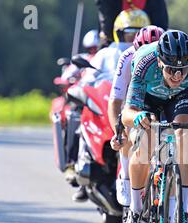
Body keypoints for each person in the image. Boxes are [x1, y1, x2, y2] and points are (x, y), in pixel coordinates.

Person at [121, 30, 188, 223]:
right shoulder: (144, 63)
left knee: (185, 136)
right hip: (147, 97)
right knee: (145, 144)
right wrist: (138, 118)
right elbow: (128, 114)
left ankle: (181, 212)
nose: (177, 76)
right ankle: (136, 211)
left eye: (183, 70)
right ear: (159, 61)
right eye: (172, 69)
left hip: (179, 98)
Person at [71, 8, 151, 202]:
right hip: (108, 100)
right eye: (129, 33)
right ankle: (79, 168)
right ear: (118, 32)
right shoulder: (106, 53)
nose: (133, 38)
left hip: (137, 104)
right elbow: (88, 78)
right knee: (80, 119)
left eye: (138, 33)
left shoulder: (150, 55)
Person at [108, 25, 165, 208]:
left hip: (157, 98)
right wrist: (118, 133)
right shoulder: (126, 58)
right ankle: (125, 177)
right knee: (127, 133)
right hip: (133, 99)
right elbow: (116, 101)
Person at [61, 29, 100, 190]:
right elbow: (66, 77)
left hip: (101, 100)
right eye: (91, 48)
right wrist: (70, 79)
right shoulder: (83, 59)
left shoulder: (106, 57)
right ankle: (71, 163)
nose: (94, 51)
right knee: (74, 117)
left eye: (96, 48)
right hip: (83, 101)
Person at [95, 0, 168, 48]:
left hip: (147, 47)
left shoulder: (157, 2)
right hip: (115, 45)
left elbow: (160, 30)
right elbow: (107, 30)